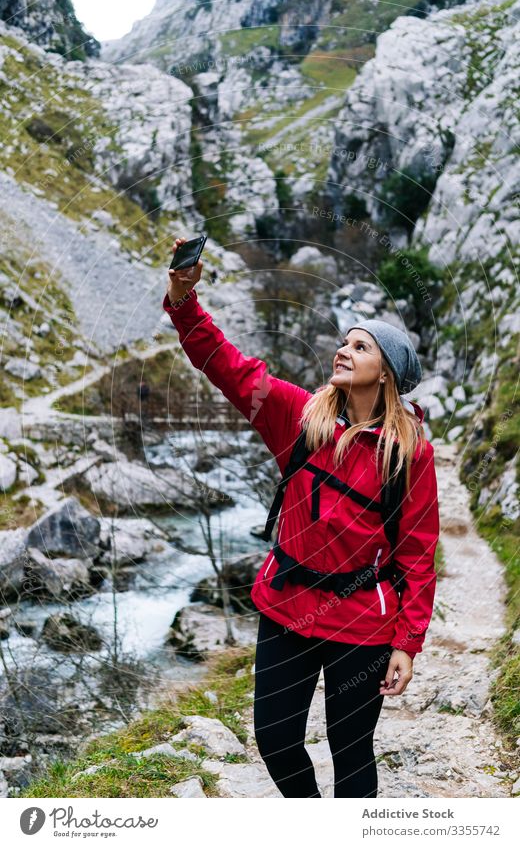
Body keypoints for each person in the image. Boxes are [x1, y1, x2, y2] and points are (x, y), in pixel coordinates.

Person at [163, 236, 440, 799]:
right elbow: (228, 367)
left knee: (351, 751)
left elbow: (416, 552)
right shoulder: (298, 415)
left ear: (385, 373)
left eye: (360, 347)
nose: (344, 350)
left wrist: (407, 643)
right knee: (274, 738)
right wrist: (183, 299)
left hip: (362, 619)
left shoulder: (409, 453)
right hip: (286, 603)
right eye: (344, 342)